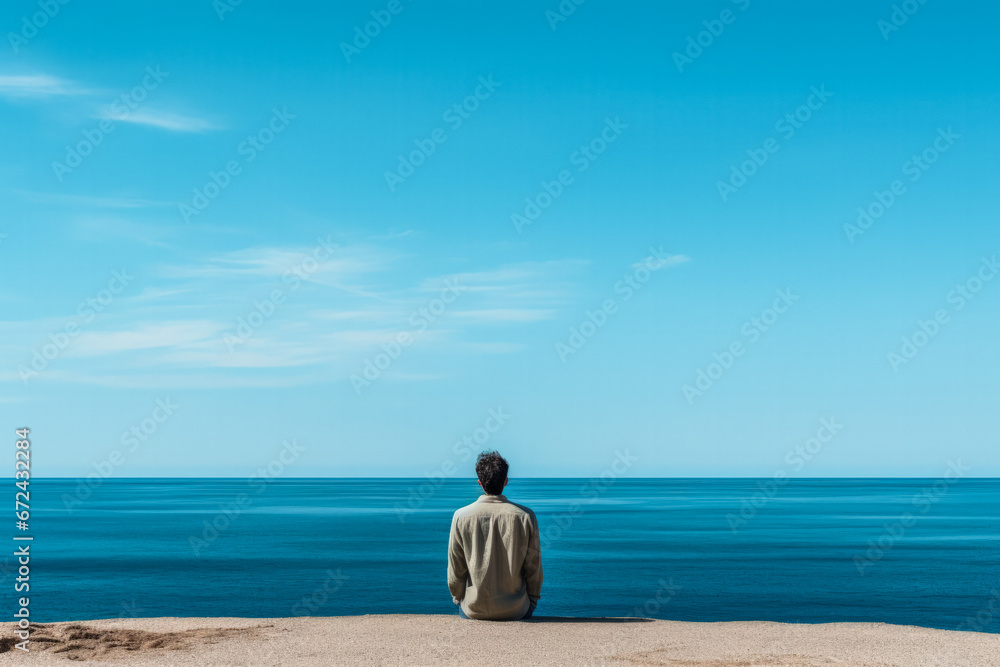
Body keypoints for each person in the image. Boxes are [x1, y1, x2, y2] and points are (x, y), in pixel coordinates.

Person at [447, 450, 542, 620]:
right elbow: (533, 565)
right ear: (505, 481)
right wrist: (533, 598)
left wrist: (457, 596)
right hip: (516, 609)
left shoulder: (460, 516)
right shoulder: (526, 516)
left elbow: (456, 567)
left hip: (474, 608)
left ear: (480, 482)